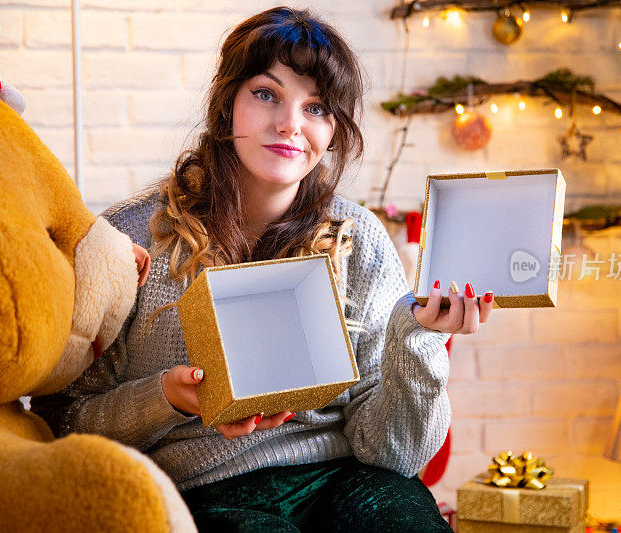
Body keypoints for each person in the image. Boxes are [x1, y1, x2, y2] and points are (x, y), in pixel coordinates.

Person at [32, 6, 493, 532]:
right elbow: (57, 421)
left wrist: (421, 340)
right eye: (266, 94)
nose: (290, 125)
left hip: (347, 479)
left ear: (335, 128)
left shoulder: (358, 238)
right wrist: (168, 398)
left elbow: (397, 455)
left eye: (316, 107)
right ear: (227, 101)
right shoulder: (132, 238)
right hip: (203, 490)